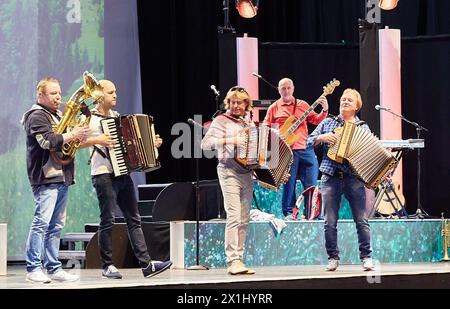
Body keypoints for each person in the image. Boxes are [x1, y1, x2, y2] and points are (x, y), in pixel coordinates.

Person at [81, 80, 172, 279]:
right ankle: (107, 265)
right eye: (111, 92)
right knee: (108, 220)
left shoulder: (116, 117)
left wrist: (151, 144)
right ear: (99, 95)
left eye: (116, 91)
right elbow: (75, 142)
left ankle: (147, 265)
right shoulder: (89, 118)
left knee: (134, 219)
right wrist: (98, 140)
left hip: (123, 173)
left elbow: (132, 146)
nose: (115, 95)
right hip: (103, 173)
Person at [21, 77, 90, 283]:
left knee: (56, 226)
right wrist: (72, 135)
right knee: (41, 223)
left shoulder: (58, 115)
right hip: (45, 177)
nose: (58, 97)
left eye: (59, 93)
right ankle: (33, 267)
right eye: (53, 93)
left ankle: (53, 267)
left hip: (62, 176)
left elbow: (66, 142)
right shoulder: (36, 116)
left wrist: (79, 136)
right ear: (40, 95)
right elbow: (47, 141)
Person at [306, 88, 374, 271]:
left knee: (361, 220)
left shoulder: (362, 127)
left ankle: (366, 257)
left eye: (349, 100)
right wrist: (321, 137)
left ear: (357, 107)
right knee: (329, 221)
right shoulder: (328, 122)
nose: (345, 102)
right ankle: (333, 257)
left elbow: (369, 152)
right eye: (343, 99)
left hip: (354, 178)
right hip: (330, 178)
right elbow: (307, 140)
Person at [201, 86, 256, 275]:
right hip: (228, 171)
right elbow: (205, 144)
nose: (236, 105)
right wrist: (230, 139)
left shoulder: (249, 123)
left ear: (246, 104)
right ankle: (232, 260)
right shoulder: (220, 120)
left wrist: (256, 165)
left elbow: (254, 148)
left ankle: (239, 258)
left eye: (240, 102)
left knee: (244, 217)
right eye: (232, 102)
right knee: (233, 215)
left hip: (247, 173)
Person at [263, 78, 328, 220]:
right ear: (278, 90)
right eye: (283, 88)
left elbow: (316, 120)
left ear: (293, 88)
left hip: (305, 148)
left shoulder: (302, 105)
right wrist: (277, 135)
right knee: (289, 184)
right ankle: (289, 214)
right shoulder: (274, 107)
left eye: (288, 88)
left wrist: (325, 109)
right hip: (286, 151)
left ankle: (312, 213)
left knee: (311, 183)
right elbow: (265, 128)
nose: (286, 91)